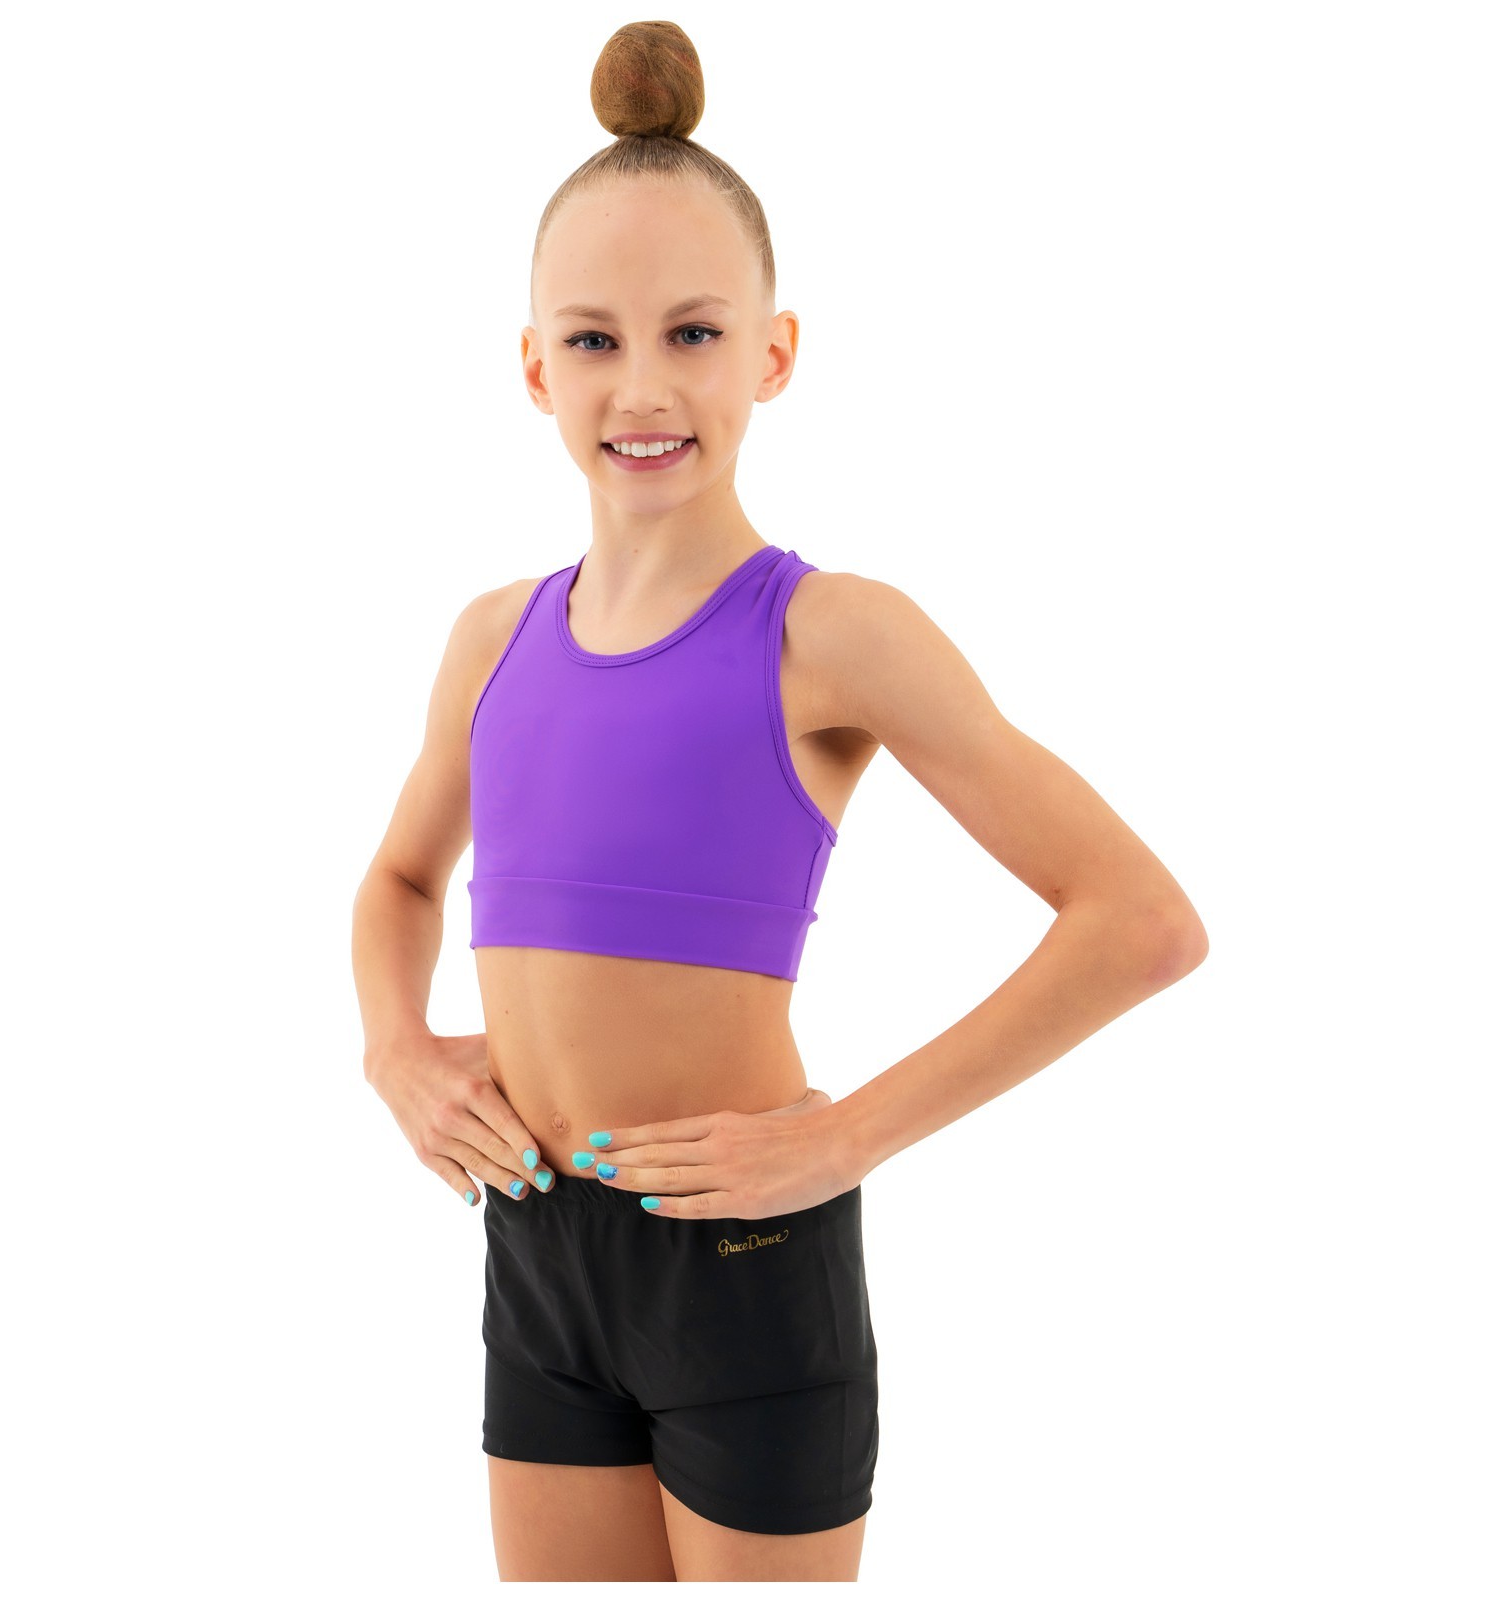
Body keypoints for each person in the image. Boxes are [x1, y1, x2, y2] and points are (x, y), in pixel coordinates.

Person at [350, 19, 1208, 1584]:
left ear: (774, 353)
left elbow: (1141, 923)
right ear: (534, 366)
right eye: (594, 341)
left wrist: (850, 1139)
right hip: (534, 1243)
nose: (643, 385)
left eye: (693, 332)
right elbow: (402, 881)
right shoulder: (490, 638)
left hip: (742, 1259)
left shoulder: (832, 634)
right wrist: (397, 1050)